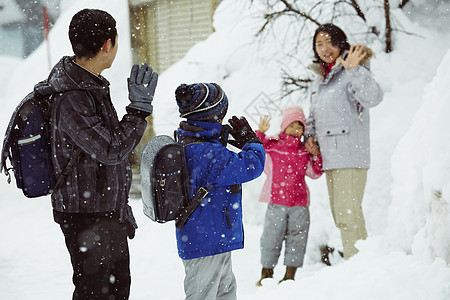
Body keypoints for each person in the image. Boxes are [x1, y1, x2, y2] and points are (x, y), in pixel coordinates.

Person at [34, 9, 158, 299]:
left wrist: (118, 207)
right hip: (85, 215)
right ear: (107, 44)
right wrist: (138, 111)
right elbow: (111, 149)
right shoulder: (72, 95)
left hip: (101, 211)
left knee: (116, 290)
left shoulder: (88, 86)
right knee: (97, 293)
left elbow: (101, 154)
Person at [173, 83, 265, 300]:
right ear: (213, 116)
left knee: (224, 292)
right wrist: (251, 143)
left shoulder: (193, 142)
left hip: (210, 237)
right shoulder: (205, 152)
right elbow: (252, 165)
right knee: (204, 295)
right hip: (207, 240)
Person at [304, 23, 384, 260]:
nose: (325, 48)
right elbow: (313, 114)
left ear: (341, 43)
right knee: (342, 215)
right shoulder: (321, 79)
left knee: (348, 216)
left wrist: (353, 70)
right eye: (319, 44)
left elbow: (373, 97)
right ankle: (359, 263)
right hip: (330, 156)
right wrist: (309, 137)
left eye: (330, 42)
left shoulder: (353, 70)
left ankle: (358, 266)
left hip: (350, 154)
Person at [255, 106, 323, 286]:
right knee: (271, 237)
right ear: (284, 126)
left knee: (297, 238)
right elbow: (255, 150)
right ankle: (266, 274)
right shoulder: (273, 146)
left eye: (300, 126)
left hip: (299, 204)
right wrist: (260, 133)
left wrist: (316, 155)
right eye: (292, 125)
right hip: (276, 202)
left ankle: (289, 276)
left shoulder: (304, 150)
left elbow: (315, 173)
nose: (296, 130)